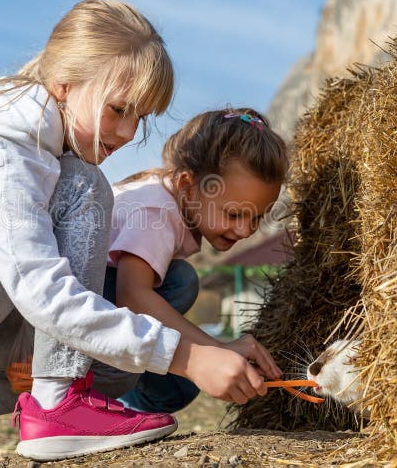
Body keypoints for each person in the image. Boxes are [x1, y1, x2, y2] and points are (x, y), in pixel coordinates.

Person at [0, 0, 279, 467]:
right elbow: (42, 292)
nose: (127, 133)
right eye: (119, 109)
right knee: (85, 188)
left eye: (140, 117)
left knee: (111, 369)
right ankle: (56, 406)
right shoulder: (3, 157)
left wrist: (179, 352)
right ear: (64, 83)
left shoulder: (49, 154)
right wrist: (187, 357)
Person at [90, 108, 288, 414]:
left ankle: (109, 406)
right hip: (76, 309)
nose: (246, 230)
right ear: (186, 184)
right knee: (181, 280)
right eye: (234, 214)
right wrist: (213, 350)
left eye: (257, 218)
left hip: (104, 305)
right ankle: (80, 391)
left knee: (175, 390)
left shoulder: (176, 203)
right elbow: (132, 296)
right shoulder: (156, 211)